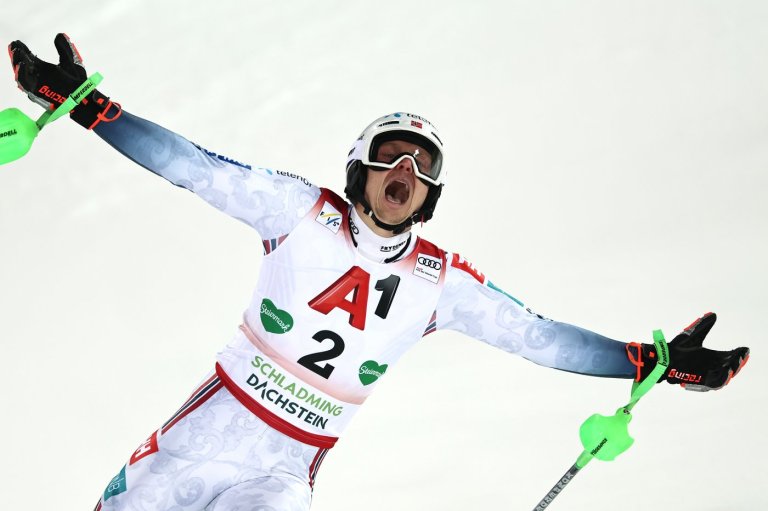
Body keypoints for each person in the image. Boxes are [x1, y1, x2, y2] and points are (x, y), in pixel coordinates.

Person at [7, 34, 750, 511]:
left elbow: (539, 337)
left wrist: (648, 362)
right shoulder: (300, 212)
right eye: (391, 155)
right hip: (203, 436)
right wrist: (91, 109)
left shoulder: (439, 281)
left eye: (423, 166)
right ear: (358, 167)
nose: (405, 172)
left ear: (433, 195)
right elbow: (194, 168)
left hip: (282, 473)